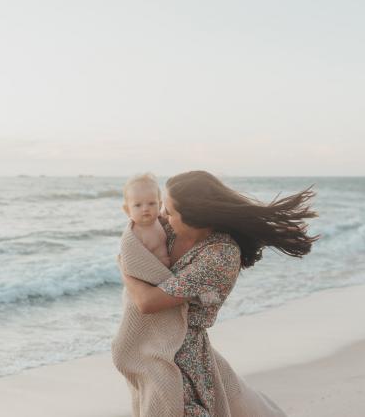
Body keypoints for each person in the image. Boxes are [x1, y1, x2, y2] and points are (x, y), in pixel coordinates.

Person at [120, 170, 319, 416]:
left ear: (194, 217)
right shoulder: (170, 231)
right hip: (160, 342)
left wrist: (124, 268)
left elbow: (146, 301)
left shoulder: (220, 255)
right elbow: (136, 236)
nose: (161, 215)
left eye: (169, 211)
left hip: (183, 351)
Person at [121, 172, 171, 267]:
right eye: (138, 205)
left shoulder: (159, 220)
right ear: (127, 210)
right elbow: (133, 264)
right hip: (154, 274)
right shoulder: (135, 235)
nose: (145, 209)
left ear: (160, 205)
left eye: (151, 203)